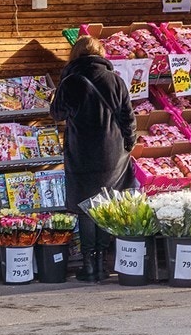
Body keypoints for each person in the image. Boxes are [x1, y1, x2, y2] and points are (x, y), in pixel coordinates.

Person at [50, 35, 137, 281]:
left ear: (75, 55)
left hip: (83, 153)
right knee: (107, 205)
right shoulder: (116, 80)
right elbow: (128, 118)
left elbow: (57, 113)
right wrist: (129, 144)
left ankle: (89, 265)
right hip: (113, 153)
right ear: (100, 54)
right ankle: (103, 263)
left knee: (87, 208)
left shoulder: (71, 81)